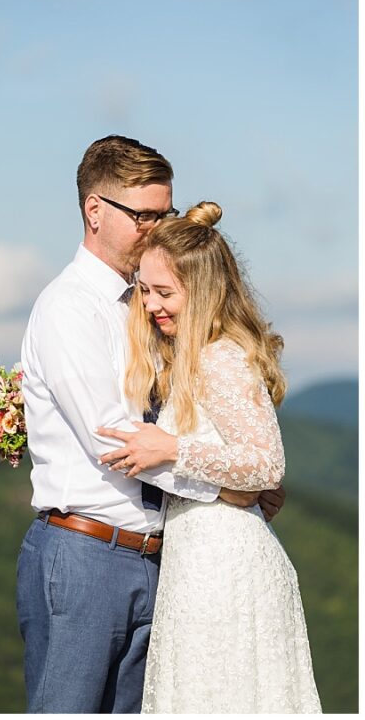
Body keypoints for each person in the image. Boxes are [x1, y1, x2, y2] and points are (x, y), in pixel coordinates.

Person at [13, 135, 283, 713]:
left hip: (162, 556)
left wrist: (234, 471)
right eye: (145, 215)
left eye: (165, 212)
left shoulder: (148, 307)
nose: (158, 227)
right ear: (94, 211)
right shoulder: (69, 309)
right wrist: (234, 487)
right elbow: (117, 438)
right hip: (86, 554)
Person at [94, 202, 321, 712]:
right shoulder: (194, 357)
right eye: (145, 290)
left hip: (225, 565)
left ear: (203, 291)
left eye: (165, 293)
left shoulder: (222, 358)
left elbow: (266, 464)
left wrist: (171, 448)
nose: (151, 305)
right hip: (197, 557)